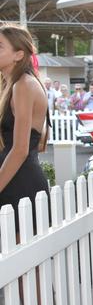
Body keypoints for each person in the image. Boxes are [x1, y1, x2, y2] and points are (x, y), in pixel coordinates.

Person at [0, 24, 49, 233]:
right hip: (10, 179)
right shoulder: (10, 85)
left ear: (18, 54)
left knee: (27, 263)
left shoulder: (24, 85)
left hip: (20, 185)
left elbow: (20, 149)